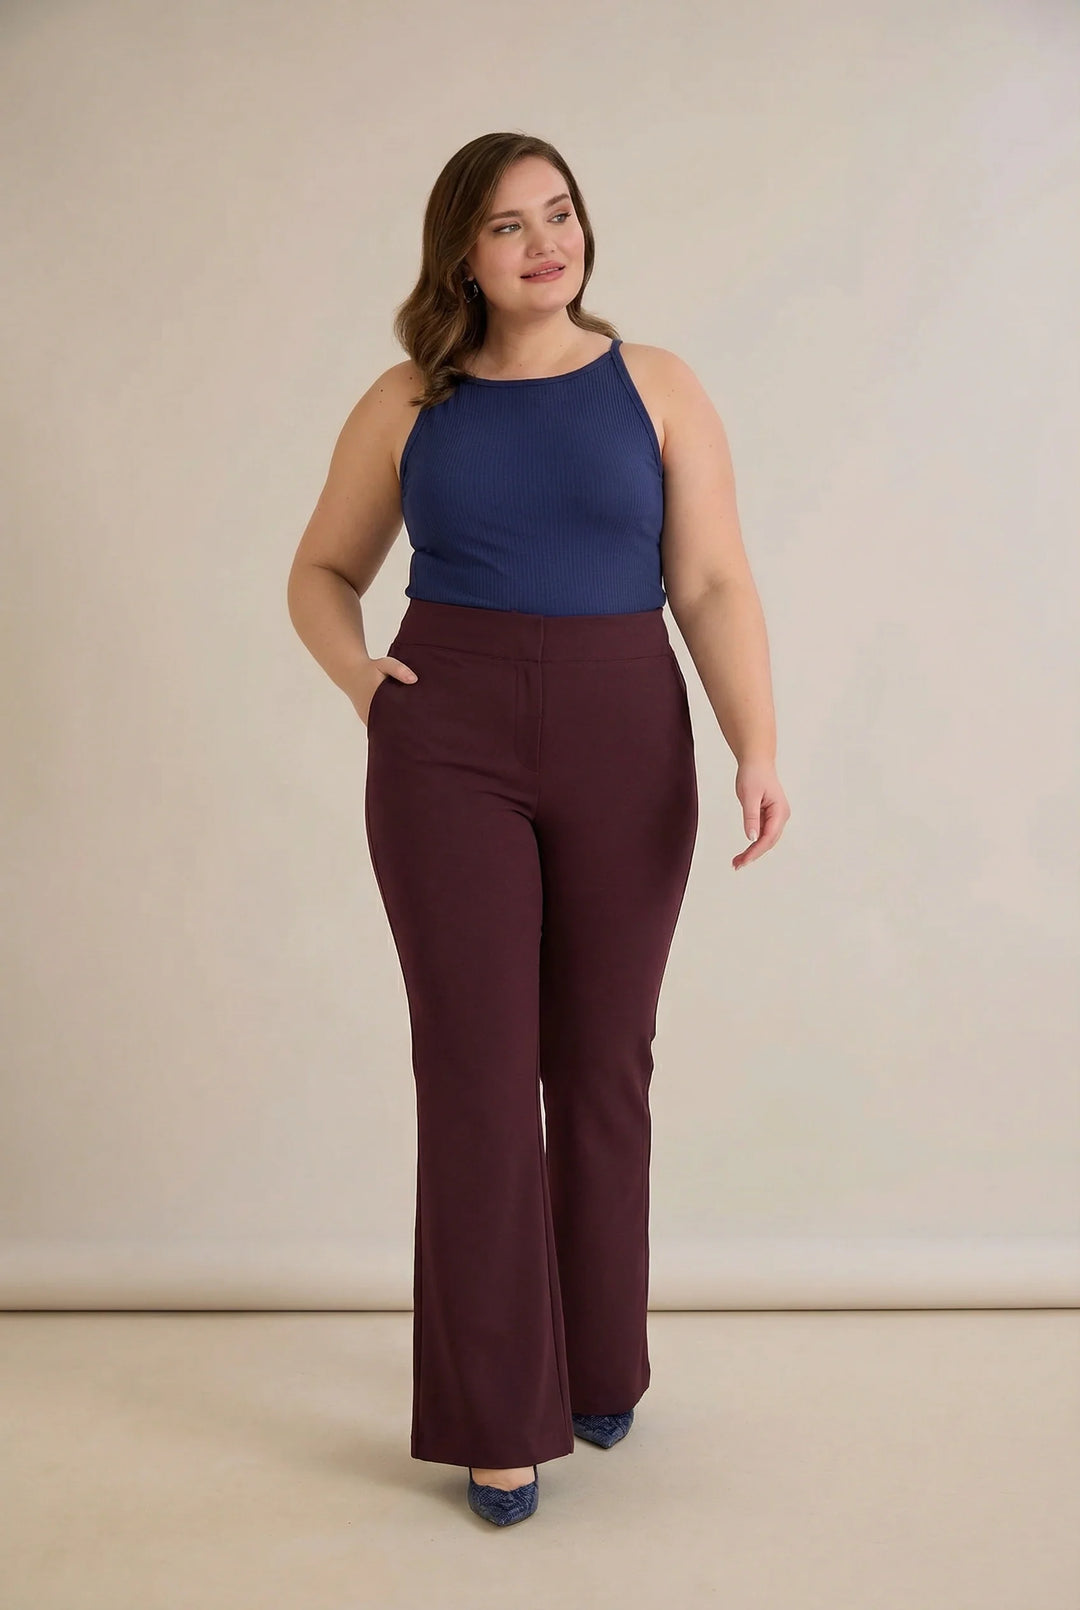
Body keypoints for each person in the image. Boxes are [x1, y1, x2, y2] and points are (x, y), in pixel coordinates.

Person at [287, 132, 791, 1527]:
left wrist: (756, 743)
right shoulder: (410, 399)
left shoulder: (656, 384)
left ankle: (601, 1361)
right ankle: (496, 1416)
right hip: (447, 744)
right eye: (508, 225)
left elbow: (711, 579)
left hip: (627, 732)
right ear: (462, 253)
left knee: (602, 1060)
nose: (544, 242)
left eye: (558, 213)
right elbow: (321, 569)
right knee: (476, 1074)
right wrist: (360, 680)